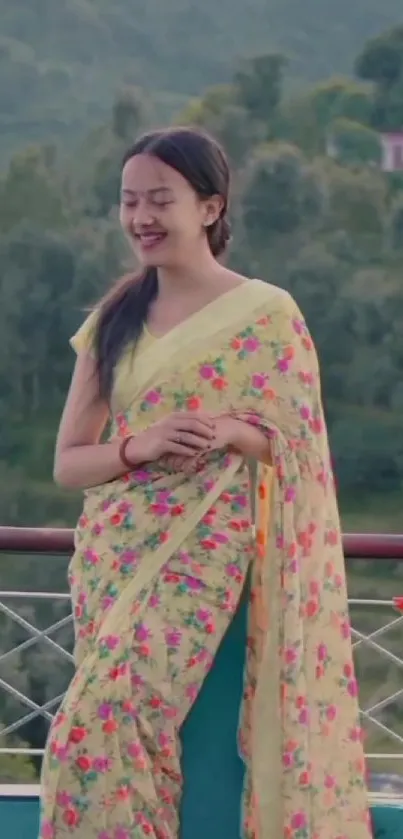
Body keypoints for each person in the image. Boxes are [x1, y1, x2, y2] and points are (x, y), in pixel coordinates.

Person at [39, 126, 371, 839]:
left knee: (114, 714)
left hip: (203, 553)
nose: (141, 218)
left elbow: (296, 444)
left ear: (211, 207)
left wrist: (225, 429)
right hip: (114, 554)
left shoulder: (266, 314)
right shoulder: (114, 322)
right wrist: (140, 444)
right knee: (97, 732)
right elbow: (70, 462)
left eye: (160, 199)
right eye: (129, 201)